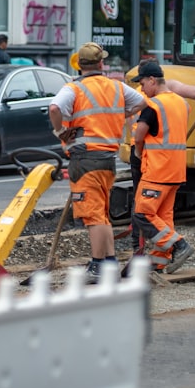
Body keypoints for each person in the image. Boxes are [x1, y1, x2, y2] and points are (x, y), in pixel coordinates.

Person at [48, 42, 145, 284]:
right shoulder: (117, 87)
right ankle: (109, 262)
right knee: (101, 214)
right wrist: (118, 116)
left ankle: (98, 265)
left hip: (85, 159)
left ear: (79, 65)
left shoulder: (74, 89)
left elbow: (54, 108)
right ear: (101, 63)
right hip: (107, 159)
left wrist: (60, 131)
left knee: (93, 216)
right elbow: (142, 103)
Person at [127, 59, 195, 258]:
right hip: (176, 170)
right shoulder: (182, 103)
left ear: (152, 80)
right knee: (164, 216)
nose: (143, 88)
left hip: (157, 170)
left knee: (142, 213)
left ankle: (179, 245)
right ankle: (159, 261)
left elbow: (139, 137)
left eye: (143, 83)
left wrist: (138, 153)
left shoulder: (152, 105)